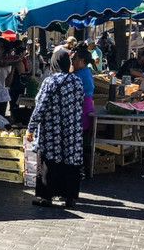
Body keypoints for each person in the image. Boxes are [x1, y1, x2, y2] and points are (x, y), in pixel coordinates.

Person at [26, 54, 84, 208]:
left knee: (49, 162)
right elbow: (80, 103)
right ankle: (70, 197)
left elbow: (40, 107)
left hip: (52, 130)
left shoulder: (50, 81)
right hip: (72, 130)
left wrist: (31, 127)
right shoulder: (77, 81)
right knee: (70, 162)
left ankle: (46, 197)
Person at [71, 48, 95, 176]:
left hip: (82, 108)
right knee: (83, 138)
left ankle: (80, 168)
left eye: (74, 59)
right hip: (86, 106)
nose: (72, 61)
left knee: (80, 139)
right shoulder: (85, 71)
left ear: (81, 60)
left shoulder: (80, 74)